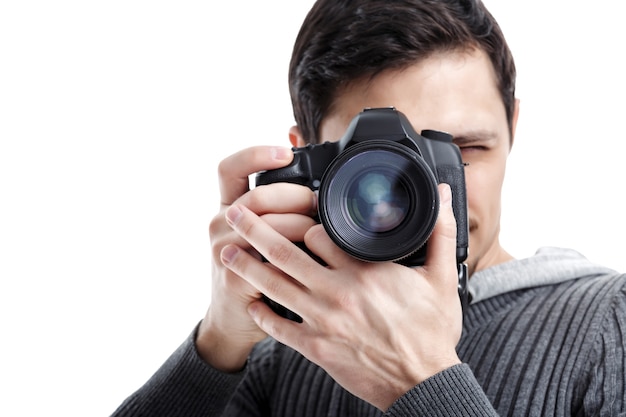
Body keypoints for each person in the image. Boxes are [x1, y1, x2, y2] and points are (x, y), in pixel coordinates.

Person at [111, 0, 626, 415]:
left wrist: (421, 381)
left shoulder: (611, 321)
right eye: (376, 166)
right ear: (307, 157)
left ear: (513, 126)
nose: (433, 200)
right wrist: (220, 341)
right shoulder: (287, 352)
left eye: (461, 151)